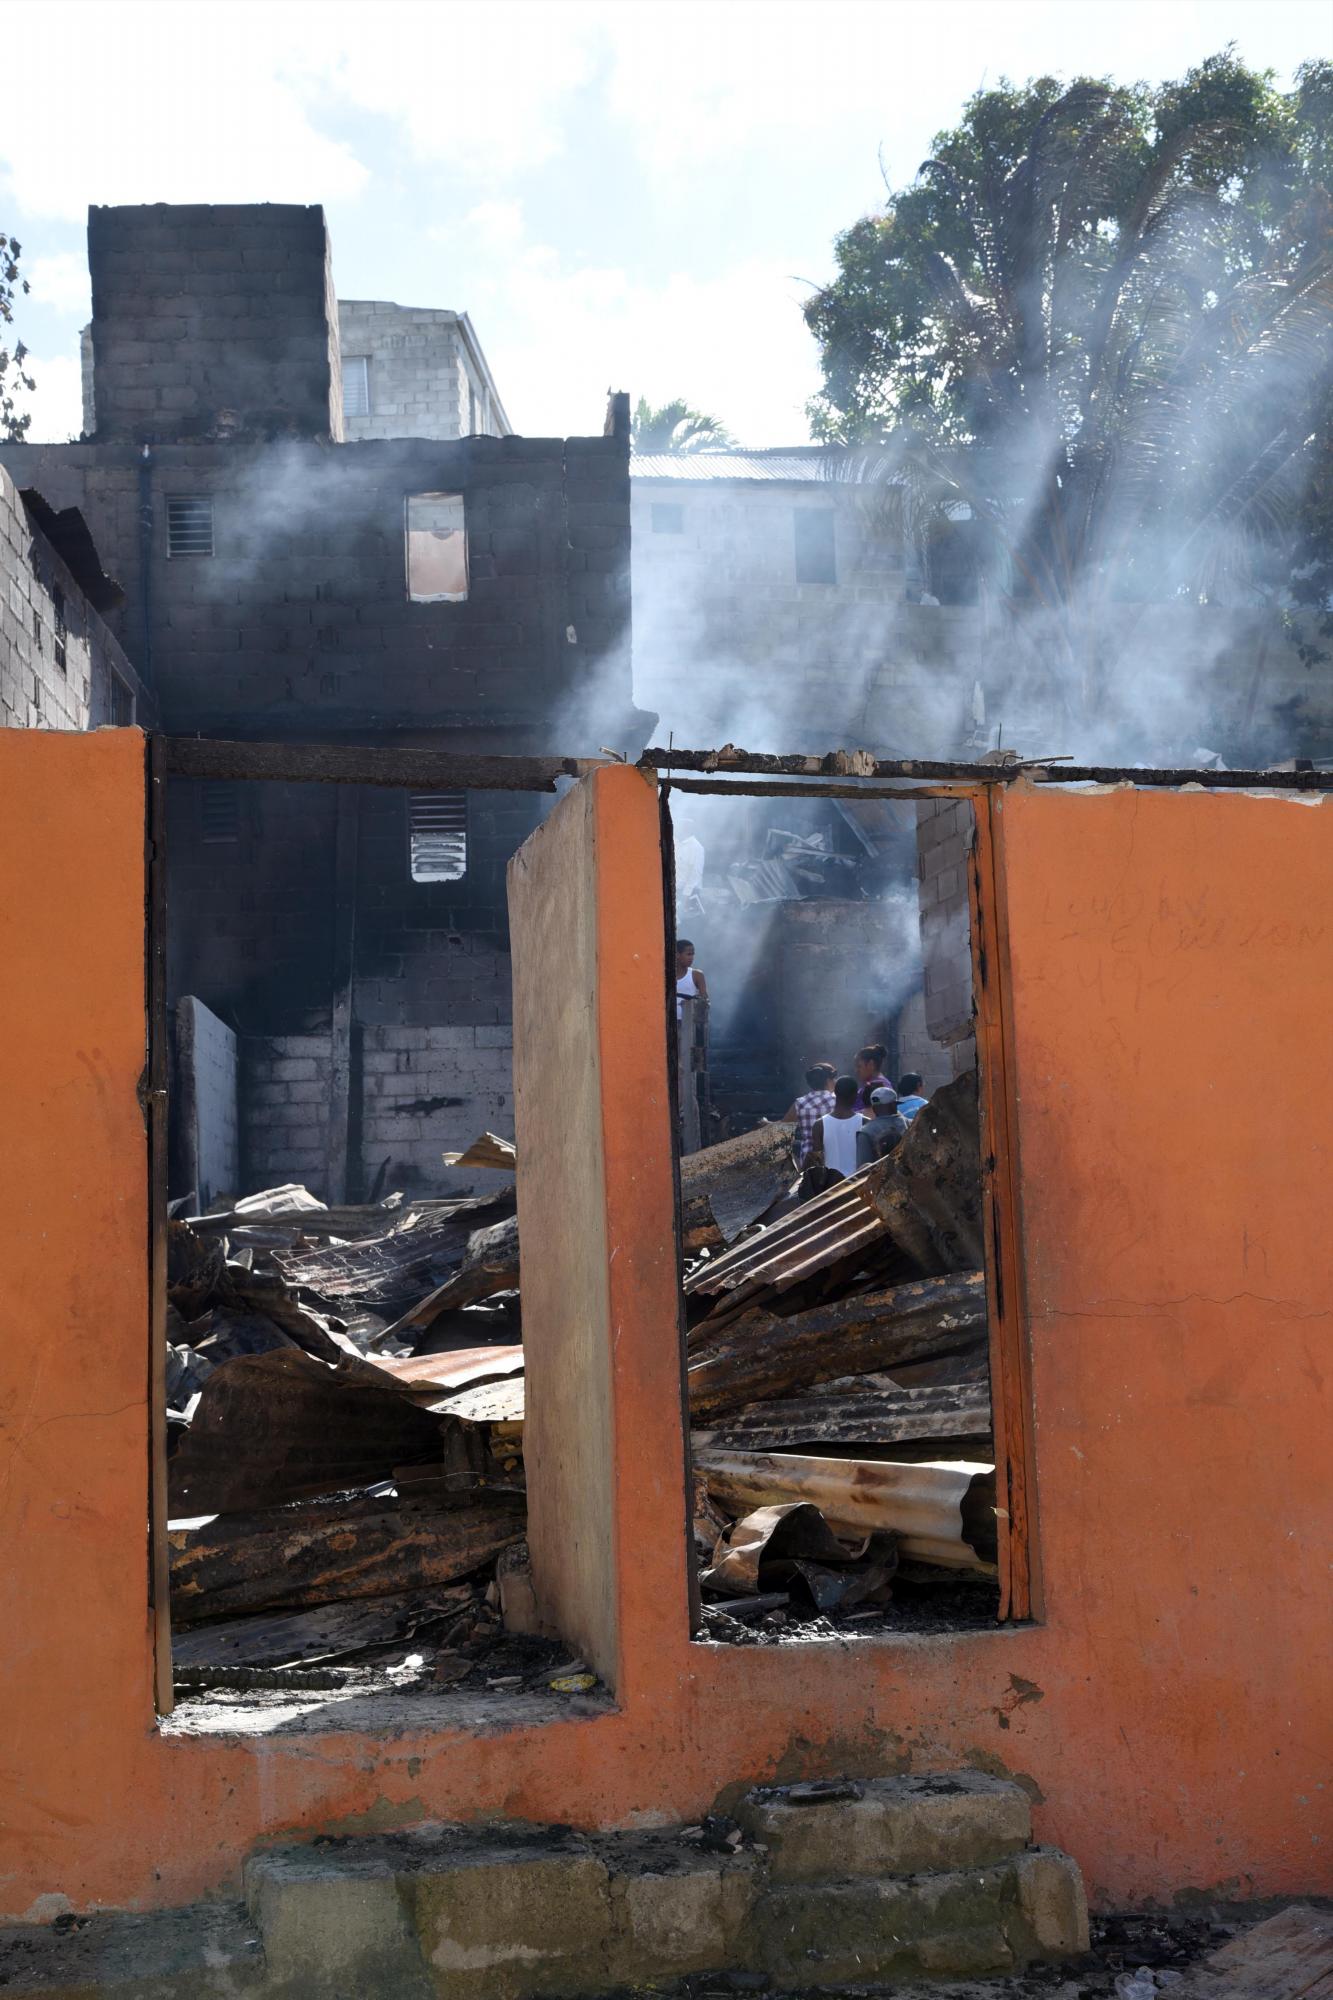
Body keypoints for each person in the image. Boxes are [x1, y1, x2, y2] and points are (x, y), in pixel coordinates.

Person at [804, 1075, 865, 1191]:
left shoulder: (819, 1125)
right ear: (856, 1096)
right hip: (857, 1187)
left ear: (835, 1093)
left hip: (830, 1189)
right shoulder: (865, 1122)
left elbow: (816, 1161)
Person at [780, 1062, 836, 1166]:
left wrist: (766, 1123)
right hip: (835, 1158)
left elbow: (782, 1127)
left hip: (808, 1161)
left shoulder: (800, 1103)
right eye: (833, 1078)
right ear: (828, 1081)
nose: (835, 1081)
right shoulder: (839, 1102)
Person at [856, 1085, 909, 1167]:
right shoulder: (910, 1124)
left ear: (873, 1108)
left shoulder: (865, 1132)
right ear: (893, 1105)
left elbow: (863, 1168)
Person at [852, 1043, 892, 1112]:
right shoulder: (869, 1086)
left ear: (871, 1064)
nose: (856, 1070)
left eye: (859, 1066)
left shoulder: (880, 1088)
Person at [675, 939, 708, 1021]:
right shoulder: (665, 975)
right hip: (668, 1023)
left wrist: (693, 1003)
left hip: (689, 1024)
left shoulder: (697, 975)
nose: (691, 958)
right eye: (688, 954)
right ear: (677, 955)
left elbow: (705, 1001)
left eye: (693, 954)